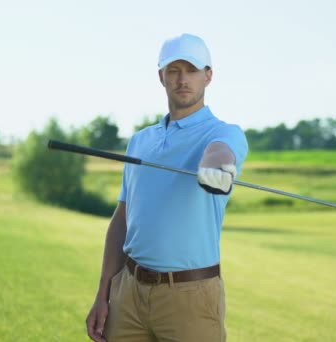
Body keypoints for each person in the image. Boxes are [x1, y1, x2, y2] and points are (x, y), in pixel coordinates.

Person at [85, 33, 248, 342]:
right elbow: (122, 220)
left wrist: (215, 168)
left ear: (208, 76)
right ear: (161, 76)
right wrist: (103, 293)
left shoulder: (225, 132)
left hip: (190, 297)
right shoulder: (140, 141)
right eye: (174, 70)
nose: (182, 79)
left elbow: (220, 152)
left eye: (192, 70)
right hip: (128, 293)